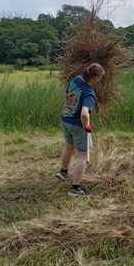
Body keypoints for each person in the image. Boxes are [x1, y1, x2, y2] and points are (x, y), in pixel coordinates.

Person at [56, 63, 105, 196]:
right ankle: (75, 188)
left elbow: (67, 94)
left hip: (66, 118)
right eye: (100, 77)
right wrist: (86, 126)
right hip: (77, 125)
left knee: (69, 147)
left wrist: (72, 109)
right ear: (95, 78)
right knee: (82, 156)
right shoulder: (89, 93)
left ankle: (63, 172)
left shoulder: (76, 79)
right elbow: (84, 114)